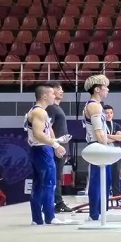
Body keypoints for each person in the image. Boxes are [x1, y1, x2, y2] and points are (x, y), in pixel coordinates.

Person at [24, 84, 66, 225]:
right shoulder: (39, 112)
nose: (55, 96)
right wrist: (55, 145)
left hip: (38, 150)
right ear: (44, 96)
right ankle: (50, 217)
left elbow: (44, 132)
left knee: (38, 185)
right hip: (42, 150)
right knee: (49, 184)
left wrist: (56, 141)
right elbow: (38, 134)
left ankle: (37, 219)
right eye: (52, 94)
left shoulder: (39, 111)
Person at [82, 74, 112, 222]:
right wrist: (105, 147)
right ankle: (94, 214)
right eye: (106, 87)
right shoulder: (94, 106)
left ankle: (100, 212)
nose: (108, 90)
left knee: (105, 180)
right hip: (97, 145)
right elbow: (98, 131)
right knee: (97, 181)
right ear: (97, 89)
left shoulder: (97, 105)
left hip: (98, 144)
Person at [47, 81, 72, 213]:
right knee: (55, 177)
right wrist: (55, 145)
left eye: (62, 89)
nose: (61, 91)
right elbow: (48, 127)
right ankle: (57, 203)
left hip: (60, 148)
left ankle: (56, 202)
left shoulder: (57, 108)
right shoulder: (51, 108)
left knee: (57, 176)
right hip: (55, 148)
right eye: (58, 88)